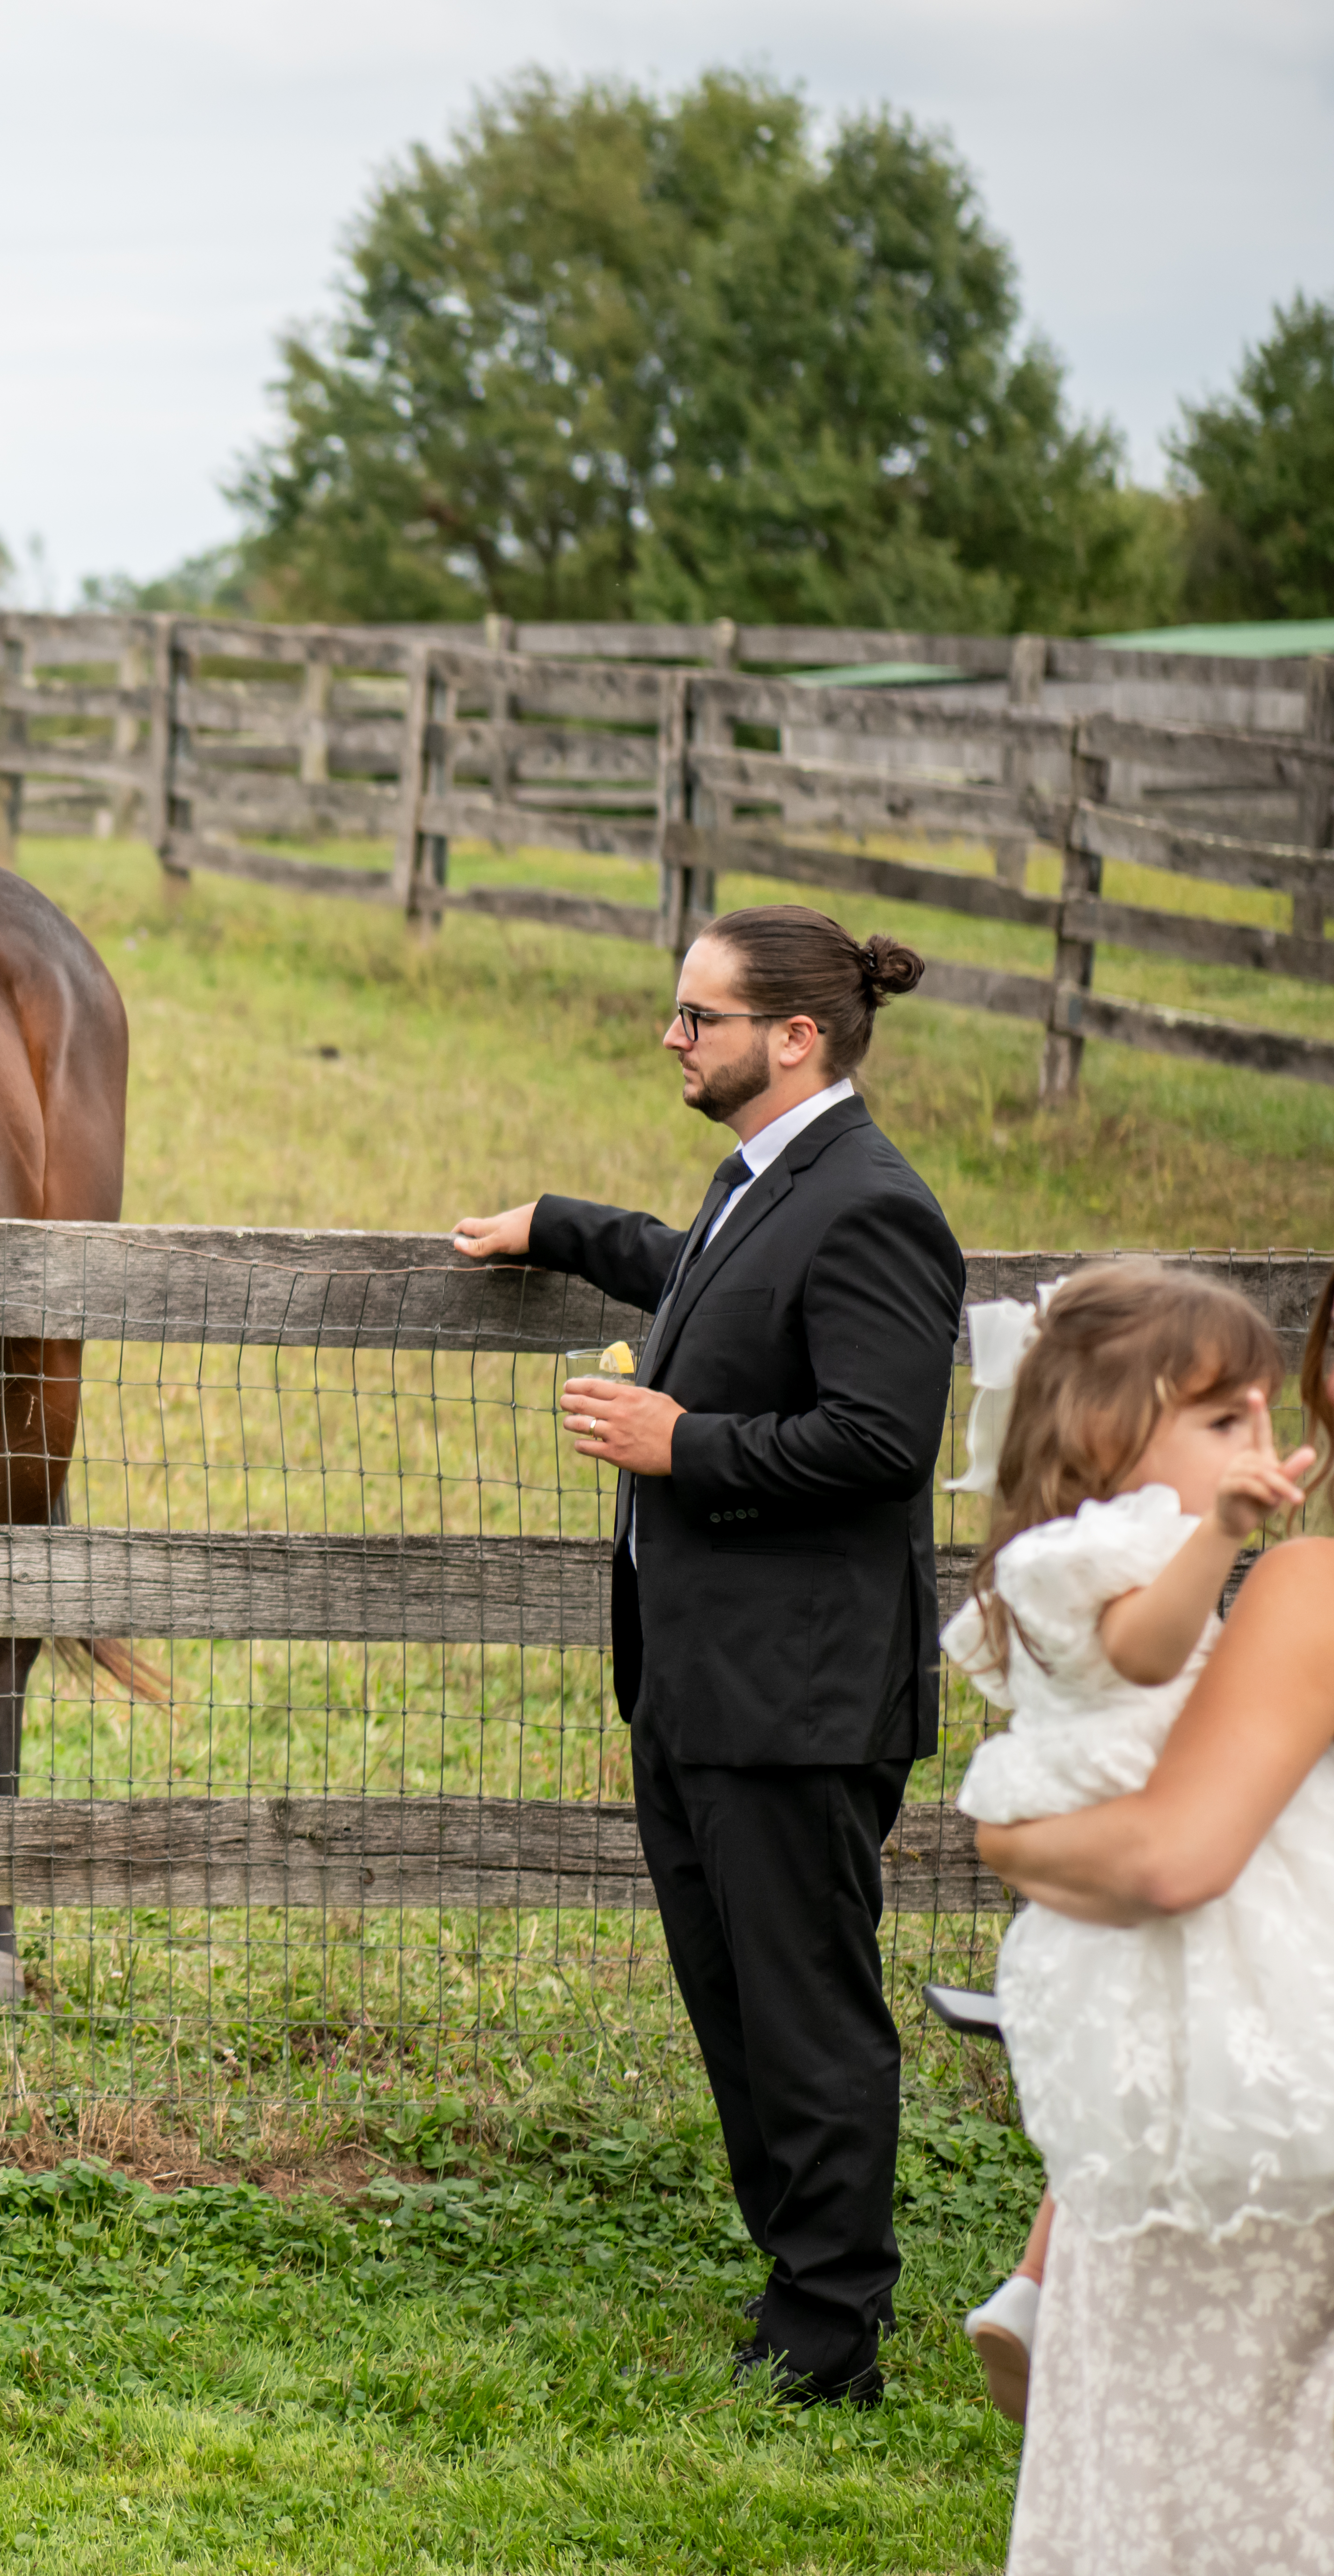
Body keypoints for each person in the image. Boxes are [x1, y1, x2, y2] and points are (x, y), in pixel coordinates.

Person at [448, 903, 963, 2406]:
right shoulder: (775, 1183)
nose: (672, 1037)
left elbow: (883, 1438)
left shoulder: (873, 1201)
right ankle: (797, 2286)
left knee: (804, 2013)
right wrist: (560, 1227)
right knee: (736, 2002)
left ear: (793, 1038)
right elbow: (707, 1277)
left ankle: (833, 2331)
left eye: (699, 1018)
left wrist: (686, 1443)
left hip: (794, 1699)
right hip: (703, 1684)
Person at [979, 1207, 1334, 2572]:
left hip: (1270, 2132)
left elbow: (1173, 1858)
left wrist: (1014, 1846)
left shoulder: (1327, 1592)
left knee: (1194, 2505)